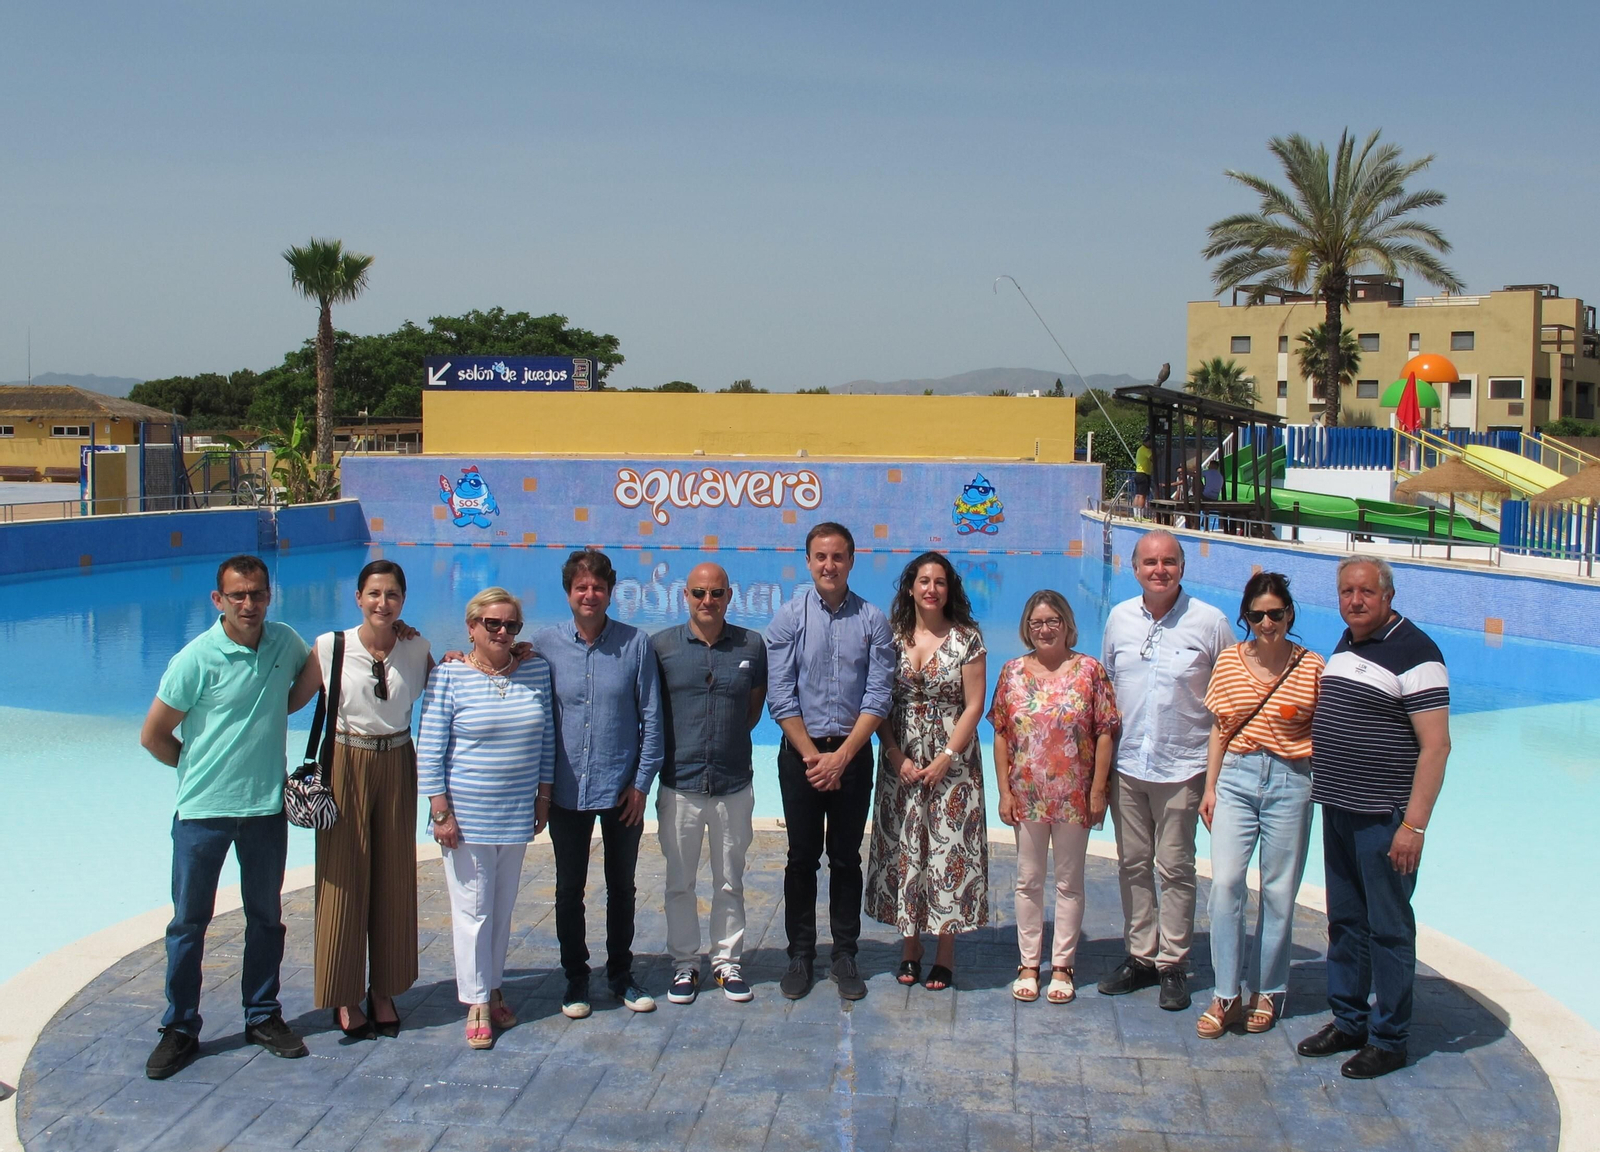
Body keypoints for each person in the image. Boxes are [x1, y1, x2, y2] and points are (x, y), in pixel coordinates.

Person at [138, 555, 321, 1080]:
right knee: (188, 924)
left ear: (269, 596)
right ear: (218, 600)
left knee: (266, 919)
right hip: (202, 814)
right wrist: (197, 770)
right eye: (237, 595)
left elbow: (313, 679)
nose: (248, 603)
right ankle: (180, 1027)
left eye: (257, 594)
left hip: (265, 811)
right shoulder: (195, 659)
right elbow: (153, 735)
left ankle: (262, 1015)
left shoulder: (285, 643)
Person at [1297, 557, 1450, 1080]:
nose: (1354, 600)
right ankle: (1349, 1019)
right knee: (1346, 923)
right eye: (1345, 591)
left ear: (1387, 595)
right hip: (1339, 808)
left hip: (1383, 818)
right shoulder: (1349, 641)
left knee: (1387, 928)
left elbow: (1436, 748)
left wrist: (1414, 825)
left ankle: (1390, 1037)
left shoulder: (1417, 652)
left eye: (1364, 592)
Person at [1097, 529, 1234, 1011]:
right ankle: (1141, 956)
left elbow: (1228, 699)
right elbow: (1106, 694)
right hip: (1129, 765)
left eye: (1169, 561)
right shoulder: (1118, 619)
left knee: (1174, 867)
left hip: (1184, 766)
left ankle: (1173, 962)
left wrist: (1216, 779)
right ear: (1134, 569)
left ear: (1182, 567)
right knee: (1133, 864)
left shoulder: (1210, 622)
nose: (1160, 570)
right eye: (1150, 562)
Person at [416, 587, 555, 1049]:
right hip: (467, 816)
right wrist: (440, 811)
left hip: (515, 813)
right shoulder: (450, 675)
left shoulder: (535, 670)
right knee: (472, 910)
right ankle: (475, 1001)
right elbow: (430, 750)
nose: (501, 631)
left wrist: (544, 796)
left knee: (500, 908)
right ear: (471, 626)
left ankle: (493, 987)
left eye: (510, 625)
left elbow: (547, 740)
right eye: (492, 624)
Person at [301, 559, 431, 1040]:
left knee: (394, 878)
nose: (383, 602)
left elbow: (453, 691)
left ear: (403, 600)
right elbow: (287, 698)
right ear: (358, 597)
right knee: (343, 879)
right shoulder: (331, 646)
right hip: (345, 764)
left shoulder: (417, 648)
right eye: (374, 593)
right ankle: (343, 993)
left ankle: (385, 990)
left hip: (397, 760)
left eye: (393, 594)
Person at [766, 521, 895, 1001]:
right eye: (820, 557)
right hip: (801, 755)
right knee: (801, 858)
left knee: (844, 858)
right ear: (808, 561)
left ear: (851, 560)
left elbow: (878, 696)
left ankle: (845, 953)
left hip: (852, 756)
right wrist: (813, 757)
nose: (829, 565)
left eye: (837, 556)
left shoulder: (872, 620)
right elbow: (780, 696)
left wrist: (842, 756)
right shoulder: (788, 618)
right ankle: (800, 953)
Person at [535, 548, 665, 1020]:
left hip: (619, 790)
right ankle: (575, 976)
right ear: (569, 592)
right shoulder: (545, 645)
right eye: (581, 587)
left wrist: (641, 784)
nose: (589, 594)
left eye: (598, 587)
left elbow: (652, 719)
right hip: (566, 791)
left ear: (611, 592)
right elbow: (497, 668)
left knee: (622, 886)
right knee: (569, 887)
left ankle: (620, 973)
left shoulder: (634, 644)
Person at [1195, 572, 1324, 1040]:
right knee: (1226, 883)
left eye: (1275, 613)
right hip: (1237, 777)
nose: (1267, 622)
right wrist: (1210, 787)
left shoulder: (1312, 666)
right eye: (1257, 615)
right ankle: (1225, 992)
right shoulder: (1229, 662)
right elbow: (1219, 728)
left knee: (1278, 892)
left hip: (1291, 781)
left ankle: (1267, 989)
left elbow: (1324, 736)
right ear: (1246, 618)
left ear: (1289, 614)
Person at [865, 552, 989, 992]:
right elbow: (877, 699)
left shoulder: (967, 639)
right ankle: (909, 945)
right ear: (910, 588)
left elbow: (975, 704)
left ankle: (945, 952)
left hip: (952, 764)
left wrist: (946, 758)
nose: (931, 589)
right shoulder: (892, 637)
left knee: (948, 851)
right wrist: (895, 753)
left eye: (939, 582)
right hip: (902, 759)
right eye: (923, 581)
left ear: (949, 589)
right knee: (905, 847)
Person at [990, 591, 1119, 1005]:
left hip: (1073, 796)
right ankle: (1029, 963)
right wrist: (1004, 791)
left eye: (1052, 622)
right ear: (1027, 628)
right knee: (1028, 881)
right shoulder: (1012, 673)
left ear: (1067, 624)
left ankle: (1062, 965)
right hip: (1027, 795)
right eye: (1036, 623)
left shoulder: (1089, 671)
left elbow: (1104, 731)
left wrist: (1099, 790)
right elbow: (1001, 734)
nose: (1044, 630)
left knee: (1069, 882)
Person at [653, 562, 767, 1005]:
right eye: (699, 593)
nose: (707, 601)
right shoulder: (661, 647)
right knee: (680, 882)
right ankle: (685, 964)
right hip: (679, 784)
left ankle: (726, 962)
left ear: (729, 596)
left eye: (716, 593)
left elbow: (753, 710)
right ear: (685, 596)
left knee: (729, 880)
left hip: (733, 784)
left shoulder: (750, 646)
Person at [1132, 433, 1154, 516]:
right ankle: (1140, 515)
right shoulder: (1146, 450)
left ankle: (1136, 514)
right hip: (1144, 474)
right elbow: (1153, 458)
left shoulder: (1140, 449)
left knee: (1137, 494)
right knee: (1142, 495)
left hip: (1138, 473)